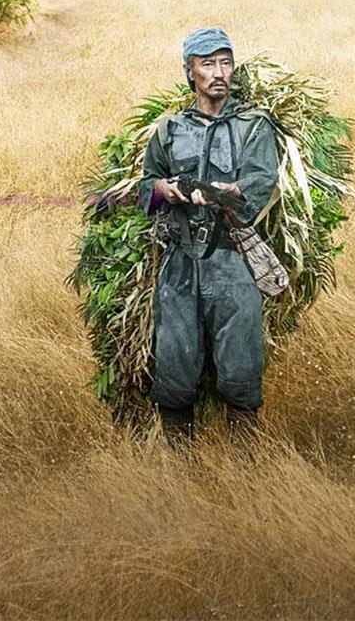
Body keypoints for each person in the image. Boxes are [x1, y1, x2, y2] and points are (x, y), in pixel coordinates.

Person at [136, 27, 280, 448]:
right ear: (190, 72)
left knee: (241, 372)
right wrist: (166, 190)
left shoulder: (254, 126)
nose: (219, 73)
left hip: (233, 260)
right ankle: (180, 474)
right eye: (208, 64)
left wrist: (226, 194)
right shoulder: (169, 129)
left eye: (225, 62)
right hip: (180, 265)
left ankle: (246, 470)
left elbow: (259, 185)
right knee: (175, 373)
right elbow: (146, 186)